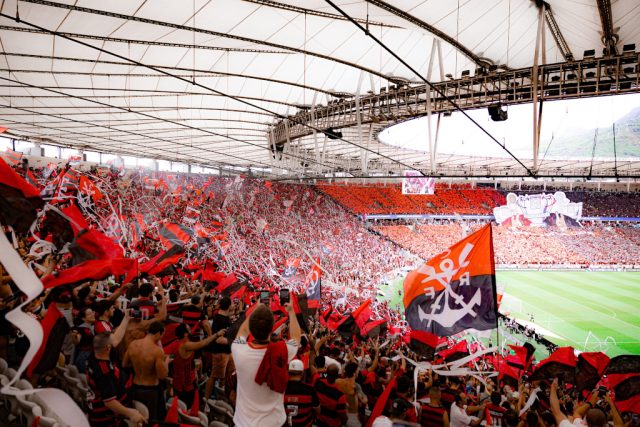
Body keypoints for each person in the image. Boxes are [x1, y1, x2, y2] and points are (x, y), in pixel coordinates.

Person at [231, 302, 300, 427]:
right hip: (275, 423)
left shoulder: (237, 350)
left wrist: (254, 309)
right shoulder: (283, 351)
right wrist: (291, 311)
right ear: (272, 328)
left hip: (243, 424)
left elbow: (242, 332)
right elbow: (296, 337)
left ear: (251, 328)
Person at [87, 333, 146, 427]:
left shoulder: (93, 357)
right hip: (107, 419)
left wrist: (126, 318)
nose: (117, 343)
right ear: (108, 347)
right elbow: (109, 402)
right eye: (113, 342)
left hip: (98, 412)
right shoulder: (104, 372)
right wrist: (130, 413)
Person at [123, 320, 169, 422]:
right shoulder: (157, 351)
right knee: (151, 421)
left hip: (135, 388)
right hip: (151, 391)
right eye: (163, 335)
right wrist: (166, 362)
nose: (162, 337)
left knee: (138, 420)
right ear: (158, 333)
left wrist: (138, 363)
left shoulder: (133, 344)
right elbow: (162, 376)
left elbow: (124, 364)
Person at [170, 323, 220, 407]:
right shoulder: (185, 345)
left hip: (178, 383)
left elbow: (173, 358)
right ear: (185, 334)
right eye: (189, 329)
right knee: (191, 407)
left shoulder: (176, 343)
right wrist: (216, 335)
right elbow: (202, 343)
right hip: (186, 385)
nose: (191, 331)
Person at [205, 296, 233, 401]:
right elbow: (218, 339)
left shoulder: (221, 316)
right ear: (229, 306)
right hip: (220, 352)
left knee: (226, 376)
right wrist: (234, 341)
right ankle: (207, 401)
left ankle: (221, 397)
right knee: (214, 376)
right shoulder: (221, 320)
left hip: (226, 352)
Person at [284, 359, 320, 427]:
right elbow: (317, 411)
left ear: (288, 372)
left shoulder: (281, 389)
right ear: (302, 373)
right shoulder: (310, 390)